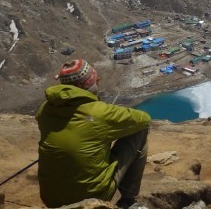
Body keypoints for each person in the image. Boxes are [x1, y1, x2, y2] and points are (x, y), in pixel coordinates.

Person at [36, 59, 151, 208]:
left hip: (50, 199)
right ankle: (128, 201)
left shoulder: (45, 110)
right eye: (96, 78)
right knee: (140, 130)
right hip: (91, 196)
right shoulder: (99, 113)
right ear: (88, 84)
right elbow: (144, 119)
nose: (99, 80)